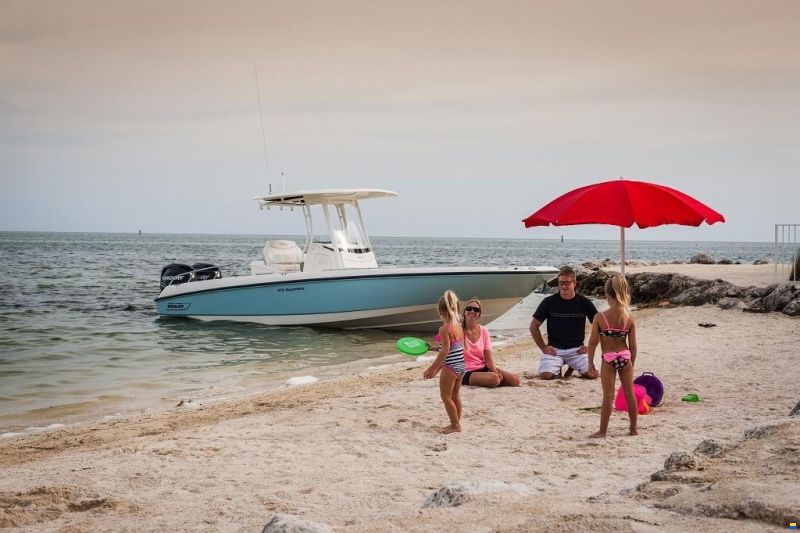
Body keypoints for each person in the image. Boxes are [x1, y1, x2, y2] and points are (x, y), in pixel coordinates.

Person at [588, 275, 638, 437]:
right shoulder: (629, 318)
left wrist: (590, 362)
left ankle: (602, 431)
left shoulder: (600, 317)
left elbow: (592, 342)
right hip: (625, 357)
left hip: (608, 358)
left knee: (608, 396)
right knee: (629, 394)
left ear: (608, 296)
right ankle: (633, 429)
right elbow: (633, 346)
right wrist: (632, 363)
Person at [530, 266, 599, 380]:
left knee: (593, 375)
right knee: (546, 376)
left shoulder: (585, 303)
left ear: (574, 283)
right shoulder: (549, 302)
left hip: (577, 351)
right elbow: (534, 326)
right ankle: (557, 367)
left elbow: (600, 327)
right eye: (560, 283)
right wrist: (544, 348)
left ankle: (572, 366)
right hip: (555, 350)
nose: (563, 286)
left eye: (566, 283)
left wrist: (590, 348)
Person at [423, 290, 466, 433]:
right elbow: (452, 347)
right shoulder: (458, 326)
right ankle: (456, 421)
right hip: (461, 365)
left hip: (451, 367)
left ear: (440, 311)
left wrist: (432, 368)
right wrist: (432, 348)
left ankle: (455, 425)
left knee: (446, 396)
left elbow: (445, 350)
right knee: (455, 395)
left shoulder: (444, 328)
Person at [461, 298, 520, 387]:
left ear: (479, 314)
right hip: (465, 372)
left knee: (515, 380)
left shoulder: (484, 330)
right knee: (494, 379)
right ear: (464, 312)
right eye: (469, 309)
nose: (472, 311)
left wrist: (494, 370)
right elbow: (442, 339)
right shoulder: (457, 330)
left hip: (482, 368)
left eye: (476, 310)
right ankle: (492, 380)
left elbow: (488, 357)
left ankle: (492, 379)